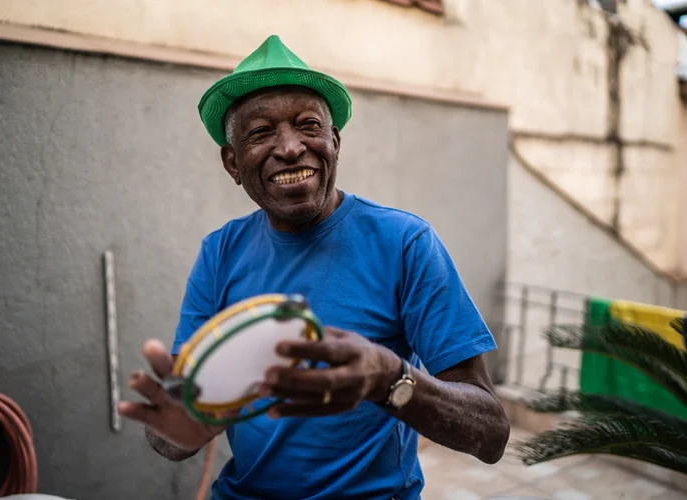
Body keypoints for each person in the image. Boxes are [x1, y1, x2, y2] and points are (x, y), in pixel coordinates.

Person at [118, 35, 510, 499]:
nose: (289, 147)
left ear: (334, 142)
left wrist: (390, 380)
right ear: (232, 163)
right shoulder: (219, 251)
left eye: (308, 125)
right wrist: (181, 425)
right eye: (261, 132)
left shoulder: (406, 243)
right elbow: (175, 430)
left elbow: (490, 433)